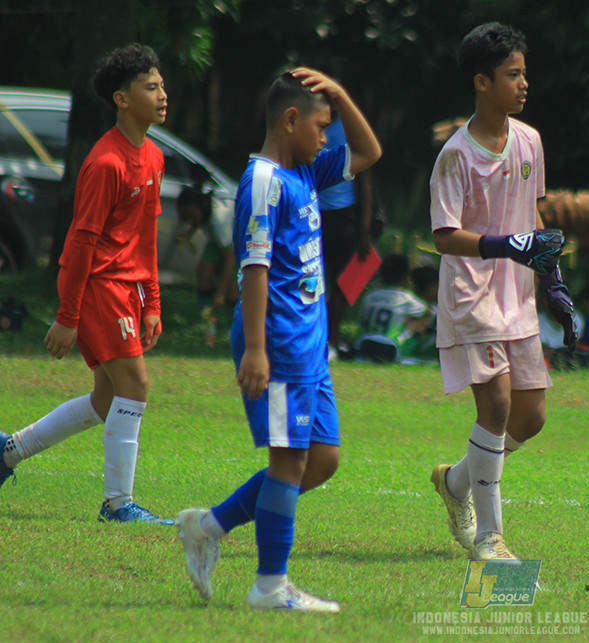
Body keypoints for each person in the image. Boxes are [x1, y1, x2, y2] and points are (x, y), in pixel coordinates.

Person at [174, 67, 381, 612]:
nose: (327, 136)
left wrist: (338, 92)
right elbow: (254, 268)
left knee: (323, 460)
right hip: (280, 341)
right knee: (289, 461)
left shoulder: (307, 173)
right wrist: (259, 349)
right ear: (291, 121)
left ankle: (209, 526)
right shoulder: (264, 181)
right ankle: (270, 585)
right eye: (321, 124)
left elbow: (369, 153)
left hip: (311, 345)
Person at [0, 44, 172, 524]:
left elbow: (145, 239)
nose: (162, 95)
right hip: (98, 287)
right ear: (122, 99)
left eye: (161, 85)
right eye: (151, 87)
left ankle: (8, 453)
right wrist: (67, 316)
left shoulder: (154, 157)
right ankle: (118, 504)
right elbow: (81, 243)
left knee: (106, 398)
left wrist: (153, 302)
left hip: (128, 290)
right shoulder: (106, 163)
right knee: (134, 386)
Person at [428, 22, 575, 561]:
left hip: (517, 296)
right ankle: (490, 537)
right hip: (471, 294)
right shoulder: (456, 155)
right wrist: (506, 246)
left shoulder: (530, 140)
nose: (523, 83)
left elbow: (532, 219)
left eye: (524, 73)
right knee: (495, 403)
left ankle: (457, 483)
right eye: (512, 75)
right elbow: (444, 236)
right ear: (482, 82)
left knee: (530, 415)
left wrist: (553, 281)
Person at [318, 117, 378, 361]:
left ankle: (331, 340)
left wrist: (364, 230)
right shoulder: (311, 124)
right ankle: (316, 338)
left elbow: (365, 181)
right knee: (314, 282)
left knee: (341, 283)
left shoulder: (348, 128)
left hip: (344, 214)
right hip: (316, 211)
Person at [174, 172, 239, 318]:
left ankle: (231, 323)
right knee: (203, 272)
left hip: (237, 244)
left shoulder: (220, 219)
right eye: (186, 218)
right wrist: (187, 235)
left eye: (191, 217)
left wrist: (220, 294)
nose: (190, 221)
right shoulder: (201, 208)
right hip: (217, 241)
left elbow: (230, 259)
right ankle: (207, 317)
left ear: (200, 208)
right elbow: (197, 219)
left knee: (232, 288)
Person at [353, 253, 431, 361]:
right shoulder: (406, 298)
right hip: (389, 347)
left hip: (364, 344)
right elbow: (427, 311)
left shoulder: (370, 296)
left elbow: (362, 320)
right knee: (422, 320)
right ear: (405, 277)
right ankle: (404, 352)